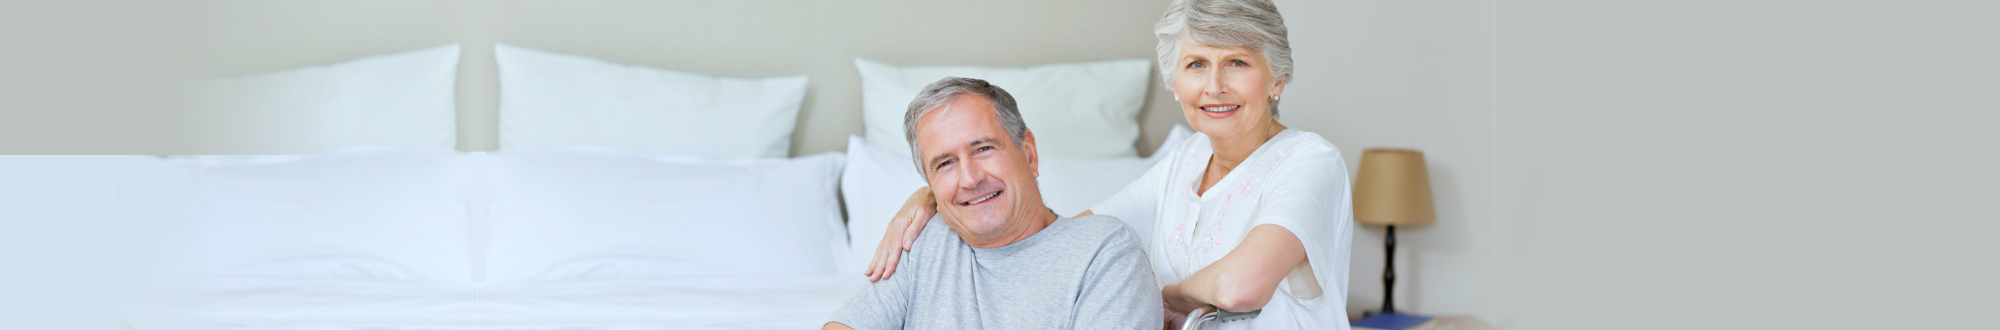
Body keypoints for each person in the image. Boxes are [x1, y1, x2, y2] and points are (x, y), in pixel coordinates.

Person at [861, 0, 1354, 329]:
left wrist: (1165, 295)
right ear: (1176, 81)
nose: (1214, 86)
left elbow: (1240, 287)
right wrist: (943, 194)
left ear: (1278, 79)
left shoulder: (1310, 161)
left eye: (1238, 63)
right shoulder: (1184, 163)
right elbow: (1057, 237)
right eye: (1197, 64)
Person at [824, 77, 1161, 330]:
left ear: (1028, 153)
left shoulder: (1104, 251)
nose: (970, 179)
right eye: (945, 164)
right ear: (930, 183)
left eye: (984, 148)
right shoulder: (923, 238)